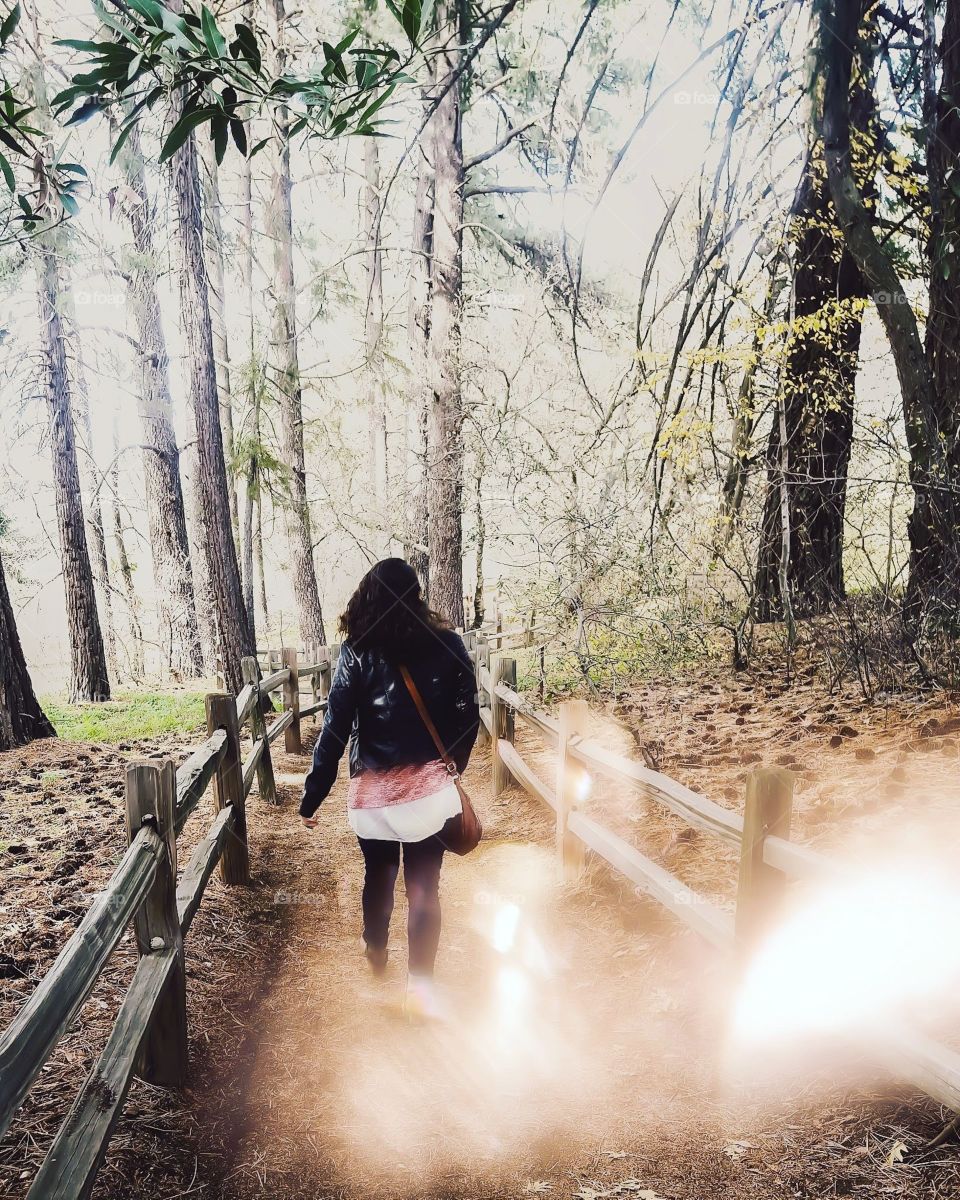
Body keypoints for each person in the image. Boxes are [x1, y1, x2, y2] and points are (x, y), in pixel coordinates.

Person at [299, 558, 480, 1018]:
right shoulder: (448, 644)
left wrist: (314, 794)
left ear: (367, 597)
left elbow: (335, 728)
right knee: (424, 889)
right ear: (417, 595)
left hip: (373, 798)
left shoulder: (357, 650)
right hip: (429, 797)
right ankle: (420, 988)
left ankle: (375, 948)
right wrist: (449, 767)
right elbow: (467, 715)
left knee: (378, 874)